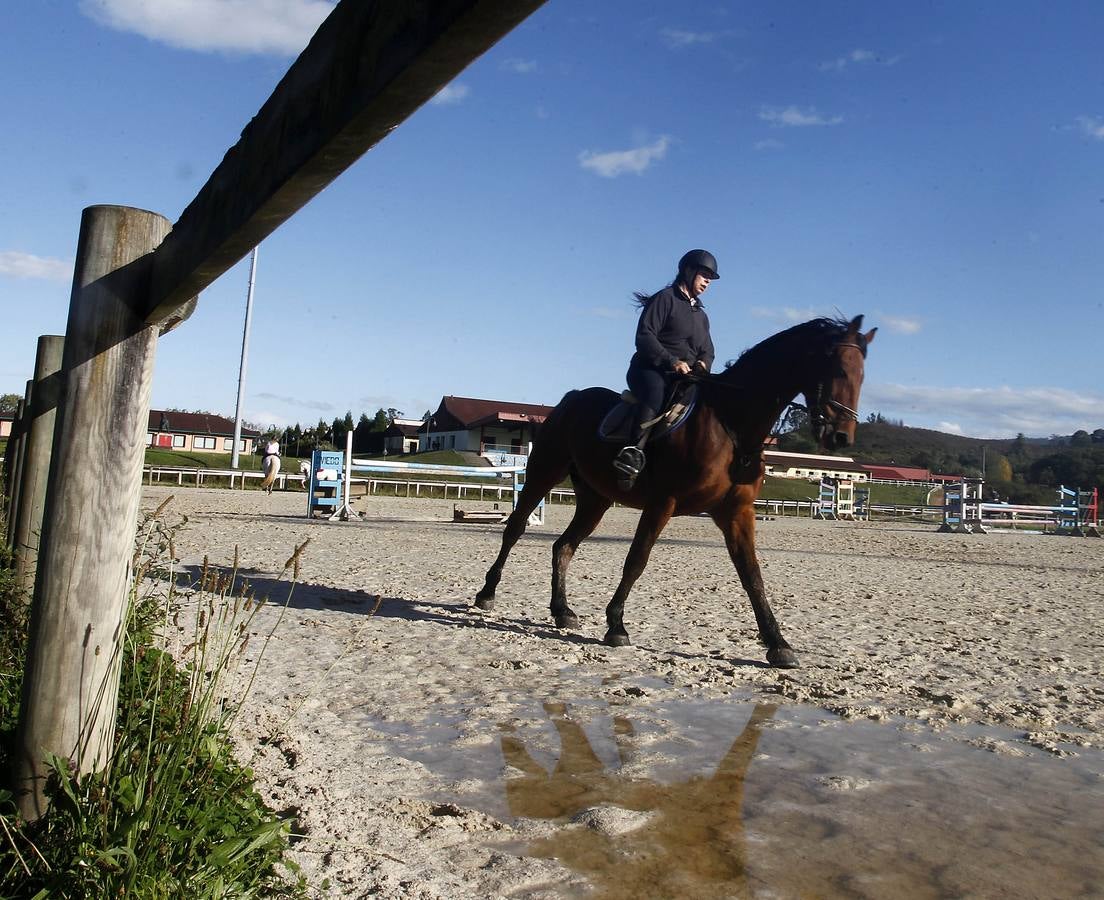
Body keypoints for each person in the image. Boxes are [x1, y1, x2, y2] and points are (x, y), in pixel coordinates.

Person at [613, 249, 718, 486]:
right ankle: (631, 455)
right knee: (656, 393)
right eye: (704, 275)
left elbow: (708, 350)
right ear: (688, 272)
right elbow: (645, 336)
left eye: (710, 278)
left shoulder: (701, 315)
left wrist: (704, 363)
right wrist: (672, 361)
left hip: (686, 376)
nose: (708, 281)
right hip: (650, 369)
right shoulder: (665, 298)